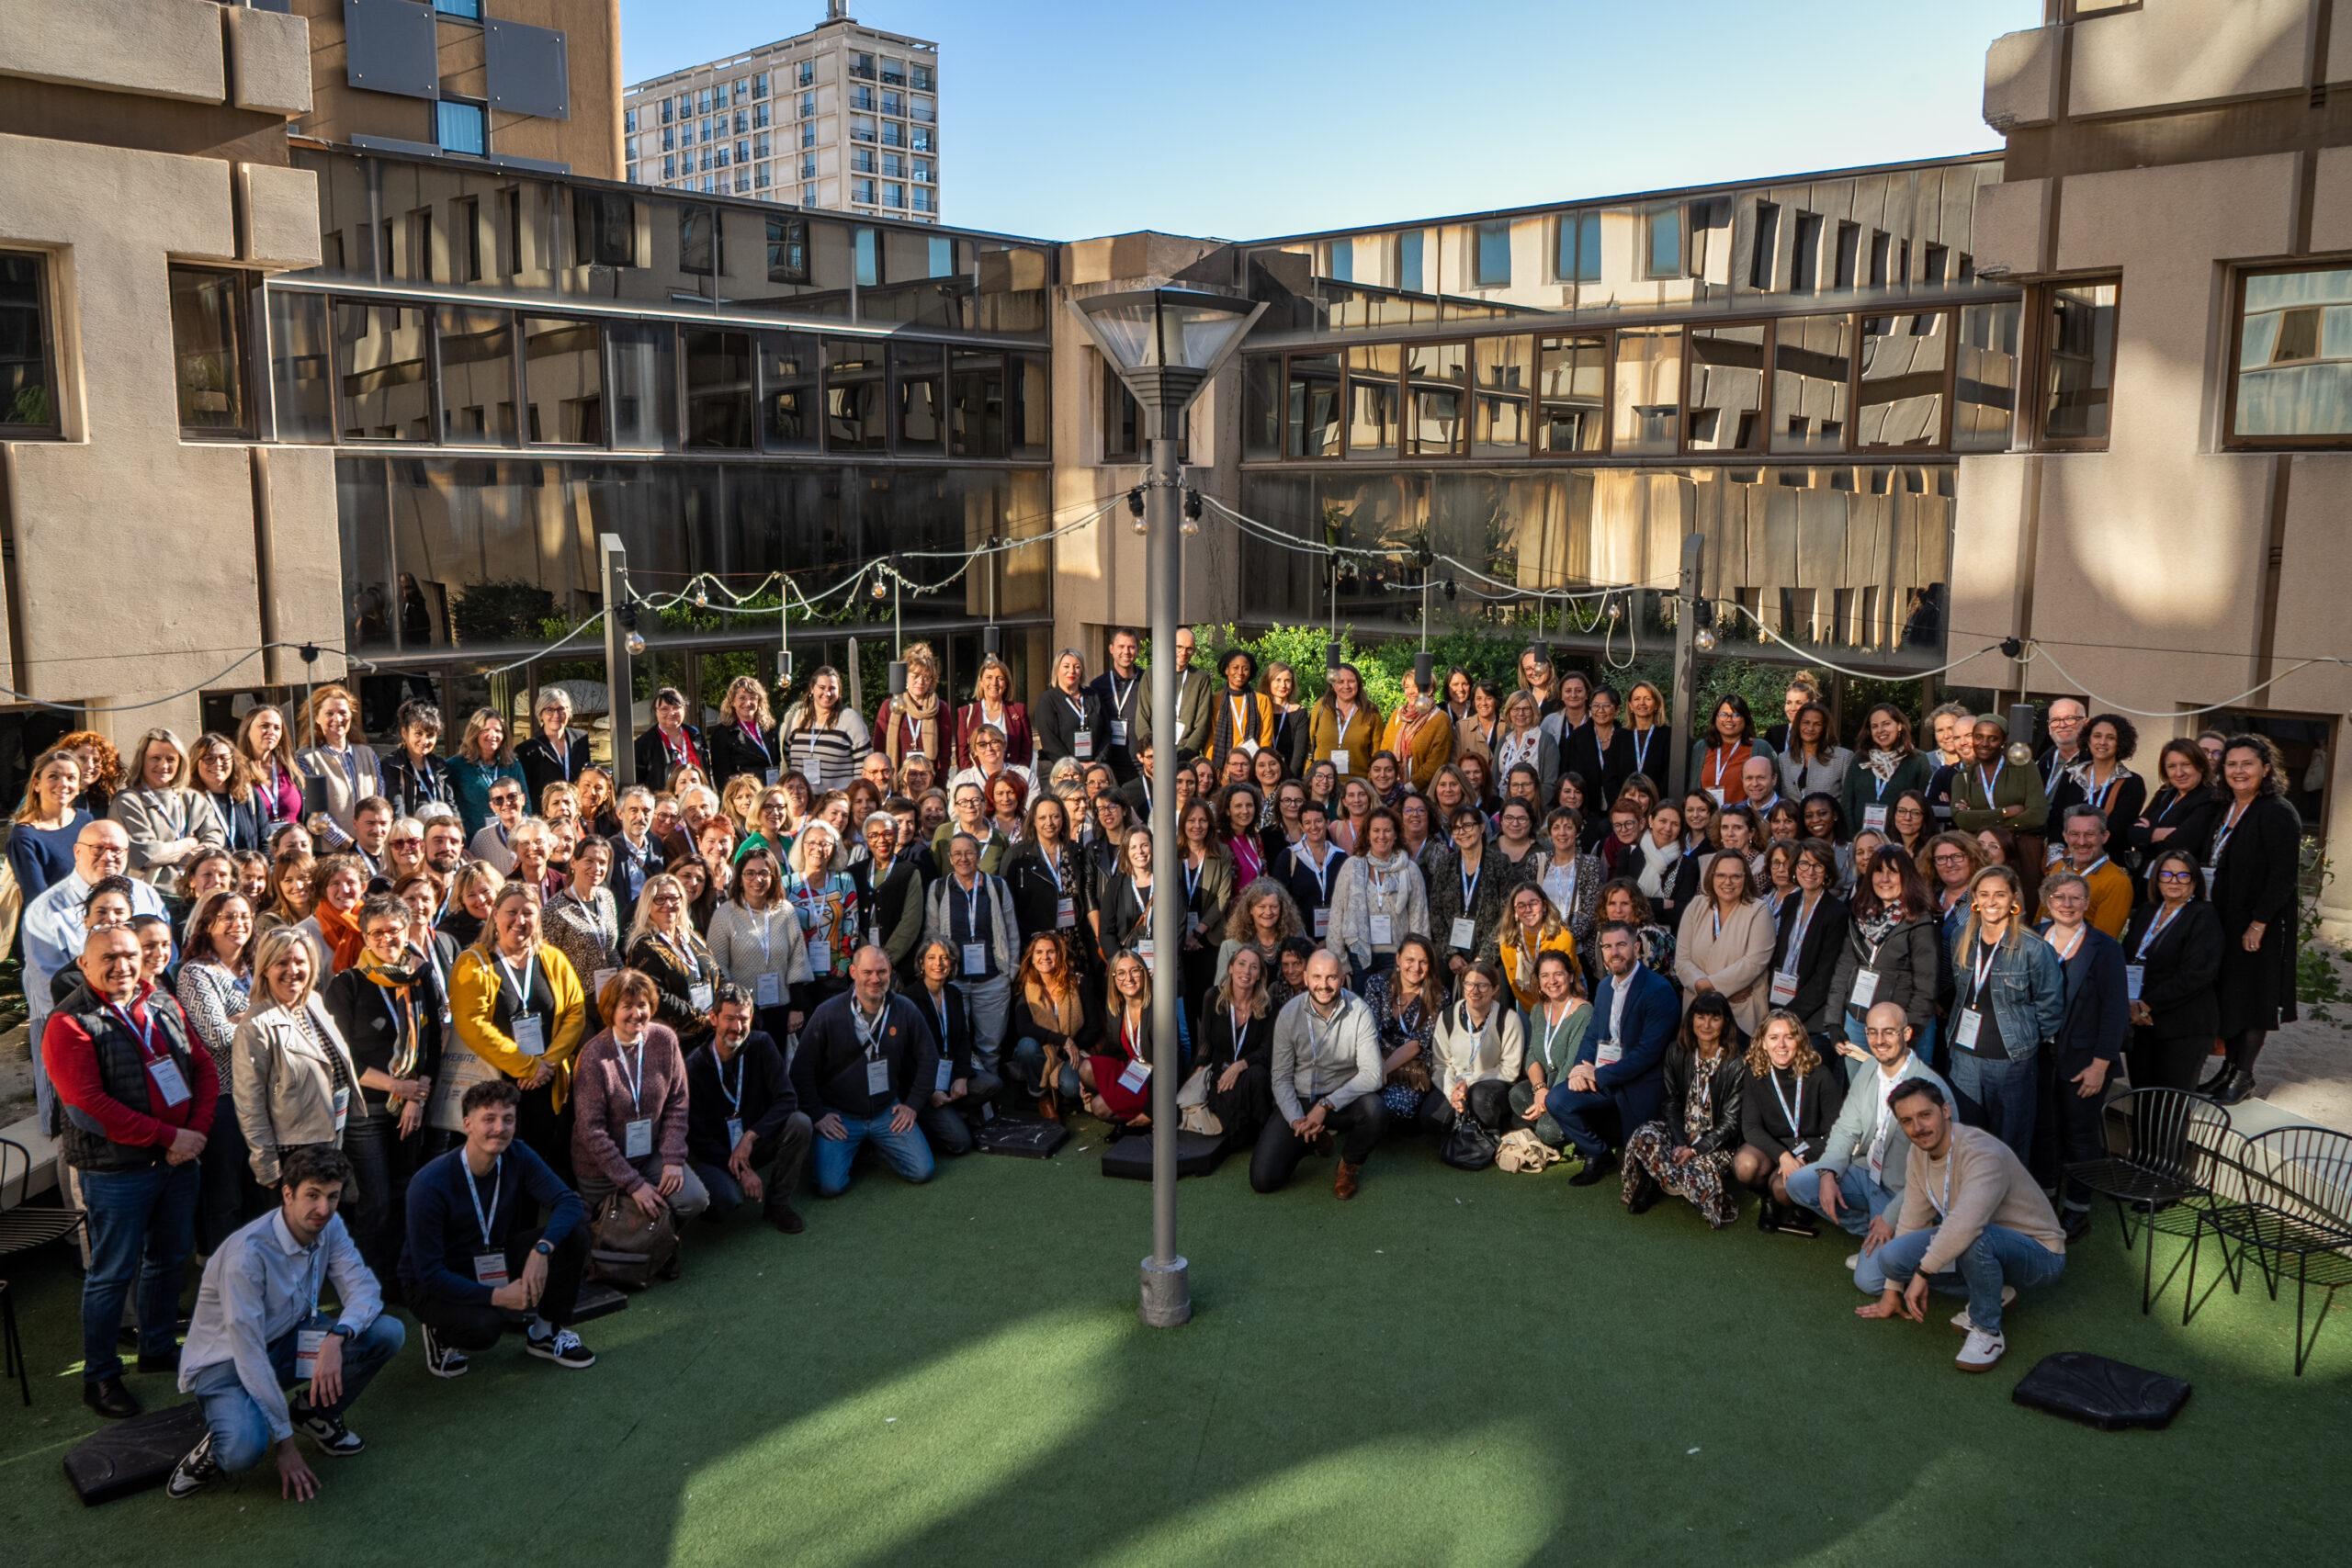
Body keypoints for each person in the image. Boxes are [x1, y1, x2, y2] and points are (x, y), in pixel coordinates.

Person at [45, 924, 217, 1418]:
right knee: (111, 1274)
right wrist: (172, 1138)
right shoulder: (69, 1022)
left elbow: (201, 1066)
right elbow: (88, 1107)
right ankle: (99, 1377)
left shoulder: (161, 1001)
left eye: (129, 955)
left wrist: (196, 1132)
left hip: (179, 1161)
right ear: (83, 964)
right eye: (108, 958)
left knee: (167, 1259)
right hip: (118, 1172)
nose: (121, 965)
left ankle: (157, 1349)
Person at [166, 1145, 404, 1501]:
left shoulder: (331, 1225)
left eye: (332, 1196)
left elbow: (365, 1289)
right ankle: (215, 1446)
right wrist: (285, 1445)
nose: (323, 1209)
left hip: (289, 1338)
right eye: (312, 1195)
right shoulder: (246, 1256)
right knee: (243, 1451)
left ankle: (313, 1413)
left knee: (387, 1332)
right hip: (226, 1363)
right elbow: (249, 1356)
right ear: (287, 1194)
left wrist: (336, 1337)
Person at [1856, 1077, 2067, 1374]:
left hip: (2038, 1253)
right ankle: (1993, 1290)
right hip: (1980, 1242)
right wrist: (1893, 1290)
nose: (1918, 1128)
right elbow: (1913, 1219)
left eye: (1925, 1115)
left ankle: (1987, 1331)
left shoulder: (1981, 1151)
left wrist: (1922, 1273)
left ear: (1945, 1111)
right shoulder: (1919, 1153)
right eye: (1907, 1121)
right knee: (1892, 1258)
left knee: (1975, 1238)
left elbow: (1966, 1223)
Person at [401, 1077, 596, 1377]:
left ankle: (545, 1332)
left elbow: (568, 1203)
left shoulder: (518, 1155)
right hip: (434, 1281)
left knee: (572, 1233)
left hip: (491, 1257)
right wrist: (499, 1298)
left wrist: (541, 1250)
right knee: (486, 1328)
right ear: (467, 1123)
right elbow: (429, 1274)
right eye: (488, 1119)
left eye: (508, 1119)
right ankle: (440, 1333)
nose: (499, 1128)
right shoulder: (429, 1184)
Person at [320, 895, 442, 1286]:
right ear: (365, 937)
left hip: (413, 1105)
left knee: (408, 1191)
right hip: (367, 1109)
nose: (387, 938)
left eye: (395, 931)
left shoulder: (421, 979)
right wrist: (397, 1086)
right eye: (377, 933)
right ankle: (367, 1281)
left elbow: (433, 1044)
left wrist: (416, 1095)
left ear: (407, 932)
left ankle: (403, 1275)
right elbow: (343, 1058)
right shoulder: (348, 984)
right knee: (375, 1201)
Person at [22, 818, 170, 1122]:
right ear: (77, 851)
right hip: (81, 1036)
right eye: (98, 848)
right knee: (82, 1122)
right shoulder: (45, 910)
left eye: (116, 849)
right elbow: (53, 990)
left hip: (147, 1027)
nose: (108, 856)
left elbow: (164, 959)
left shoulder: (146, 895)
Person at [1783, 1000, 1951, 1256]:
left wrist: (1892, 1217)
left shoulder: (1931, 1090)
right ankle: (1872, 1233)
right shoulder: (1870, 1067)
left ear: (1906, 1034)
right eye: (1872, 1032)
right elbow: (1846, 1127)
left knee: (1869, 1280)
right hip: (1866, 1173)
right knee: (1800, 1183)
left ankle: (1966, 1275)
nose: (1879, 1040)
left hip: (1901, 1193)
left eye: (1888, 1032)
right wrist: (1828, 1172)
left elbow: (1935, 1175)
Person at [446, 882, 589, 1177]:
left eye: (528, 912)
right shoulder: (473, 963)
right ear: (495, 914)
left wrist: (547, 1063)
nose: (520, 921)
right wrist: (525, 1067)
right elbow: (473, 1025)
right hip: (497, 1086)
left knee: (535, 1163)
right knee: (497, 1169)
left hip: (545, 1081)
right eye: (511, 912)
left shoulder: (552, 959)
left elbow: (575, 1010)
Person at [571, 969, 710, 1267]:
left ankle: (658, 1245)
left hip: (650, 1155)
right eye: (626, 1006)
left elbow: (677, 1101)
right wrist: (633, 1184)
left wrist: (672, 1158)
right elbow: (590, 1131)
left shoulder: (664, 1039)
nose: (636, 1014)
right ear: (611, 1010)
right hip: (600, 1168)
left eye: (643, 1005)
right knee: (611, 1224)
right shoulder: (593, 1056)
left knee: (694, 1199)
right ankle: (645, 1249)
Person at [791, 946, 938, 1197]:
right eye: (867, 972)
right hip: (840, 1116)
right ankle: (852, 1148)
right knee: (830, 1187)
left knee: (922, 1171)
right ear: (853, 972)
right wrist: (817, 1115)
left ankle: (874, 1147)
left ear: (890, 972)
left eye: (881, 972)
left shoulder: (905, 1009)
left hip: (886, 1112)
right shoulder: (827, 1013)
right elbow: (800, 1070)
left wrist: (912, 1105)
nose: (875, 979)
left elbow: (929, 1057)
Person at [2204, 734, 2301, 1104]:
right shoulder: (2224, 807)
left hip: (2259, 923)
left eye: (2247, 764)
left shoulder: (2276, 811)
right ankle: (2228, 1071)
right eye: (2231, 764)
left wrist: (2259, 922)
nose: (2239, 771)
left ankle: (2243, 1076)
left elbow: (2283, 876)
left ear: (2266, 768)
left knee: (2254, 996)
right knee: (2232, 994)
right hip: (2225, 917)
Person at [1945, 864, 2065, 1166]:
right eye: (1984, 894)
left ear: (2014, 898)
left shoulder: (2034, 948)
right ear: (1974, 898)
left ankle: (2009, 1210)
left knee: (2008, 1146)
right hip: (1964, 1057)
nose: (1991, 901)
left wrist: (2028, 1039)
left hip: (2010, 1060)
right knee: (1966, 1141)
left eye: (2000, 894)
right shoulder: (1961, 938)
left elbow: (2051, 1006)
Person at [1547, 921, 1680, 1186]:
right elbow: (1592, 1035)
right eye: (1607, 946)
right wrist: (1579, 1070)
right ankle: (1598, 1154)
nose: (1614, 952)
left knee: (1642, 1175)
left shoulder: (1659, 990)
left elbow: (1647, 1054)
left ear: (1637, 947)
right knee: (1557, 1100)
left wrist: (1597, 1074)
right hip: (1605, 1076)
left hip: (1640, 1083)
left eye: (1621, 944)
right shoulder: (1606, 987)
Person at [231, 926, 361, 1196]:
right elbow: (249, 1102)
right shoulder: (256, 1024)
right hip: (294, 1150)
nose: (292, 970)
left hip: (334, 1136)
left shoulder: (313, 1002)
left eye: (300, 961)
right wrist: (266, 1165)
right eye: (282, 963)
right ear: (265, 969)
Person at [2035, 871, 2126, 1240]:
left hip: (2085, 1062)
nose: (2067, 904)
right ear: (2047, 901)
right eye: (2059, 897)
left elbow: (2116, 1011)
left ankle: (2077, 1210)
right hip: (2041, 1059)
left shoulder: (2105, 948)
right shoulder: (2035, 938)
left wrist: (2100, 1066)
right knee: (2045, 1133)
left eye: (2075, 898)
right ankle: (2045, 1204)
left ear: (2087, 904)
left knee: (2080, 1134)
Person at [1252, 950, 1386, 1198]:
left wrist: (1325, 1105)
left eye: (1331, 977)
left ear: (1343, 978)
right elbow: (1280, 1078)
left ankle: (1348, 1165)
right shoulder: (1289, 1014)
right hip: (1301, 1101)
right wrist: (1296, 1120)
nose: (1323, 985)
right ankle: (1313, 1137)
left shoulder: (1360, 1012)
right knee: (1263, 1180)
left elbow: (1373, 1074)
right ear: (1305, 978)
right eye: (1317, 977)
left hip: (1341, 1101)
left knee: (1375, 1109)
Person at [684, 985, 810, 1232]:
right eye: (729, 1018)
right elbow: (696, 1136)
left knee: (800, 1123)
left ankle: (778, 1204)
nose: (737, 1027)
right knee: (724, 1203)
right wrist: (741, 1170)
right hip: (715, 1153)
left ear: (751, 1019)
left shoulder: (762, 1044)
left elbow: (787, 1099)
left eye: (743, 1019)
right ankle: (729, 1185)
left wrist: (751, 1137)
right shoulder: (693, 1067)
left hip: (753, 1141)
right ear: (713, 1018)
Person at [1620, 992, 1747, 1226]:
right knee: (1643, 1135)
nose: (1706, 1025)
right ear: (1691, 1020)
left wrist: (1695, 1149)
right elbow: (1670, 1103)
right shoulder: (1676, 1051)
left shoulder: (1736, 1063)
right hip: (1681, 1132)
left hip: (1714, 1142)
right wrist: (1680, 1142)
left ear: (1726, 1023)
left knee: (1700, 1173)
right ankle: (1654, 1183)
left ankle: (1664, 1178)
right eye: (1700, 1017)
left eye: (1714, 1018)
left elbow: (1731, 1123)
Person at [1732, 1009, 1849, 1235]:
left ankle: (1796, 1202)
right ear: (1763, 1043)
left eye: (1789, 1037)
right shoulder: (1756, 1073)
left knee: (1784, 1189)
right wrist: (1783, 1156)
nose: (1781, 1045)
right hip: (1773, 1144)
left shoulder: (1820, 1074)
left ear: (1800, 1040)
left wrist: (1807, 1156)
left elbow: (1837, 1130)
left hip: (1810, 1145)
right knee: (1745, 1166)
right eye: (1774, 1038)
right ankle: (1768, 1200)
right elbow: (1751, 1127)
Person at [2119, 848, 2226, 1093]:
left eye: (2183, 876)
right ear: (2156, 879)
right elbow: (2127, 958)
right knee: (2143, 1103)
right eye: (2166, 875)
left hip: (2183, 1026)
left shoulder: (2203, 915)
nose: (2174, 881)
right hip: (2142, 1024)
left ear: (2195, 881)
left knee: (2170, 1109)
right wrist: (2131, 1004)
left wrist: (2146, 1004)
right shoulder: (2146, 912)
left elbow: (2197, 973)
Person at [109, 728, 226, 895]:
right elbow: (147, 854)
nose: (163, 766)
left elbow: (215, 842)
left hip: (197, 894)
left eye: (170, 759)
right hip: (155, 895)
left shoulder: (193, 799)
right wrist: (188, 844)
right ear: (142, 760)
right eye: (155, 758)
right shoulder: (128, 801)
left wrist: (179, 854)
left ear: (180, 762)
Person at [1951, 714, 2050, 906]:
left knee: (2023, 906)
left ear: (2004, 741)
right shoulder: (1962, 776)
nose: (1984, 743)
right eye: (1979, 737)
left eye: (1992, 738)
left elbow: (2037, 815)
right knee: (1982, 904)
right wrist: (2005, 812)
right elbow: (1961, 819)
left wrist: (1979, 820)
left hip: (2022, 852)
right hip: (1981, 852)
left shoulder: (2024, 768)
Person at [1675, 851, 1776, 1035]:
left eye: (1735, 876)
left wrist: (1707, 989)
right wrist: (1708, 990)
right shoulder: (1696, 906)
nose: (1727, 882)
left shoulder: (1759, 910)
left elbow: (1753, 964)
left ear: (1746, 877)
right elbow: (1682, 961)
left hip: (1740, 1016)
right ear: (1711, 876)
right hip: (1698, 1014)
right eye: (1721, 875)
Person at [1422, 960, 1524, 1140]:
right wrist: (1453, 1092)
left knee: (1480, 1100)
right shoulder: (1447, 1017)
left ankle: (1489, 1133)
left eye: (1482, 985)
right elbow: (1440, 1064)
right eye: (1469, 984)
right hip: (1455, 1084)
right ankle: (1464, 1127)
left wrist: (1469, 1084)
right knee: (1430, 1119)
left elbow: (1510, 1070)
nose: (1474, 991)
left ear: (1494, 989)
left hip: (1490, 1085)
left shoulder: (1508, 1020)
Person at [1327, 807, 1426, 986]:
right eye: (1376, 831)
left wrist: (1417, 960)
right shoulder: (1351, 866)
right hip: (1358, 957)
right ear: (1367, 834)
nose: (1382, 836)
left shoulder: (1410, 870)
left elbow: (1419, 919)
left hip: (1397, 957)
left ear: (1396, 834)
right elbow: (1337, 915)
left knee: (1392, 1011)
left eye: (1387, 830)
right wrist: (1339, 961)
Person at [624, 872, 722, 1051]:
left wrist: (723, 1011)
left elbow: (716, 973)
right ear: (647, 904)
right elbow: (656, 997)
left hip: (711, 1035)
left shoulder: (693, 938)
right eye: (659, 899)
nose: (668, 905)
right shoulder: (643, 947)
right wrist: (702, 1020)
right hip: (674, 1043)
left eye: (674, 898)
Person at [8, 747, 91, 902]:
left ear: (78, 787)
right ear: (37, 784)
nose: (63, 784)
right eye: (54, 776)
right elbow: (38, 899)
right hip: (51, 921)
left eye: (71, 778)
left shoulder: (85, 820)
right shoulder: (25, 836)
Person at [2128, 738, 2224, 866]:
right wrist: (2158, 834)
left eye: (2186, 764)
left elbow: (2180, 845)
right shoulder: (2166, 792)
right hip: (2147, 876)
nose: (2179, 773)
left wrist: (2146, 835)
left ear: (2200, 766)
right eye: (2172, 766)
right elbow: (2131, 832)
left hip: (2179, 878)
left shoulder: (2210, 798)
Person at [2041, 805, 2131, 938]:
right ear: (2065, 836)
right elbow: (2041, 917)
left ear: (2105, 837)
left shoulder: (2116, 882)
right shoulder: (2059, 867)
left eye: (2090, 834)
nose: (2082, 842)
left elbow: (2102, 942)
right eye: (2074, 834)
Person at [1842, 705, 1931, 837]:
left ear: (1899, 726)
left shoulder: (1917, 760)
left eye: (1886, 724)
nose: (1880, 730)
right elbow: (1847, 804)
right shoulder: (1860, 760)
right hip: (1862, 841)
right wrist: (1854, 838)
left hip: (1901, 843)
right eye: (1874, 726)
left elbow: (1924, 806)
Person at [1276, 798, 1347, 947]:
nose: (1313, 827)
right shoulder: (1289, 857)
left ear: (1327, 822)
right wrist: (1302, 937)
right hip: (1298, 939)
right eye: (1307, 822)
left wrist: (1327, 941)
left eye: (1319, 821)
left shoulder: (1341, 857)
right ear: (1301, 826)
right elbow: (1280, 901)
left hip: (1337, 941)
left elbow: (1349, 903)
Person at [1498, 884, 1576, 1011]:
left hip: (1565, 999)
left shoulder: (1562, 938)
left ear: (1544, 906)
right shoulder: (1507, 944)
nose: (1528, 909)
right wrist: (1536, 1013)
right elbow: (1517, 988)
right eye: (1521, 905)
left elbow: (1568, 983)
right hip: (1528, 1004)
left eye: (1533, 903)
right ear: (1515, 912)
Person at [1693, 694, 1774, 807]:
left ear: (1745, 718)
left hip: (1745, 819)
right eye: (1723, 714)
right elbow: (1692, 790)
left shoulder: (1760, 748)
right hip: (1708, 820)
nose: (1729, 719)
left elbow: (1774, 788)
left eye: (1736, 715)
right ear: (1715, 718)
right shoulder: (1701, 748)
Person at [1308, 660, 1380, 782]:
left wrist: (1369, 783)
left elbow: (1377, 755)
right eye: (1340, 682)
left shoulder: (1371, 712)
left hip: (1357, 786)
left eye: (1351, 681)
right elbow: (1309, 745)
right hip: (1322, 784)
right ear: (1333, 685)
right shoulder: (1321, 707)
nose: (1346, 686)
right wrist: (1308, 777)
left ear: (1358, 683)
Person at [1776, 702, 1851, 805]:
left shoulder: (1843, 758)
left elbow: (1848, 802)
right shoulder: (1783, 759)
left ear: (1824, 728)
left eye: (1817, 724)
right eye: (1806, 722)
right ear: (1798, 725)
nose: (1810, 728)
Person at [636, 685, 707, 787]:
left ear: (684, 709)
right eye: (664, 709)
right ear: (656, 712)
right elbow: (639, 783)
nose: (672, 713)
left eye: (676, 707)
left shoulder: (695, 735)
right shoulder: (644, 743)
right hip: (665, 801)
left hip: (696, 798)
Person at [2036, 696, 2090, 793]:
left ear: (2086, 724)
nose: (2062, 725)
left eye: (2070, 719)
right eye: (2055, 720)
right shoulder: (2045, 760)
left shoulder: (2095, 761)